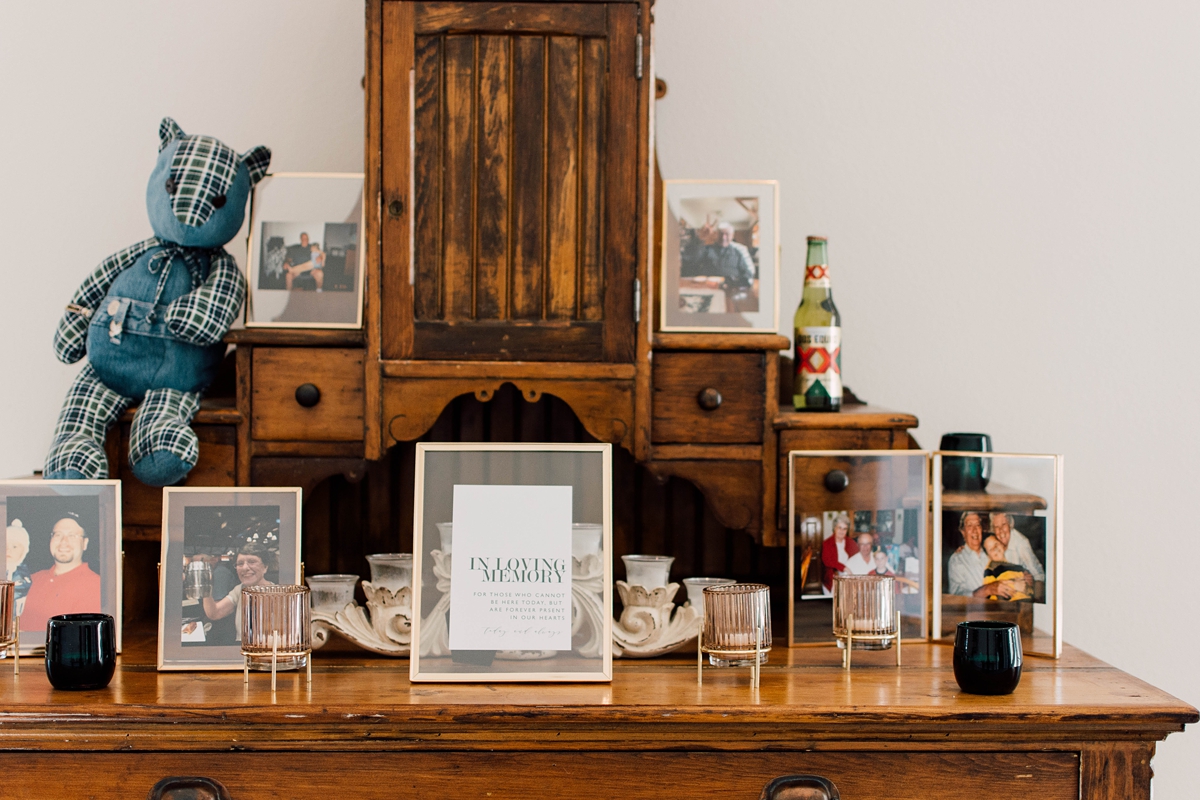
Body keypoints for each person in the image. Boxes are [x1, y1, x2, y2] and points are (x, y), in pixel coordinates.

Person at [20, 515, 102, 633]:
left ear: (85, 543)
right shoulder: (31, 579)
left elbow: (76, 638)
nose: (64, 542)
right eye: (58, 535)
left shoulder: (94, 585)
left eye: (72, 535)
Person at [201, 543, 276, 642]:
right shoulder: (240, 590)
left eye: (252, 562)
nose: (245, 568)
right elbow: (214, 613)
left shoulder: (278, 594)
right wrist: (204, 584)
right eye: (240, 564)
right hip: (241, 652)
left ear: (265, 567)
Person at [947, 511, 1018, 599]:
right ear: (963, 532)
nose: (975, 530)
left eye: (977, 525)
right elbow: (955, 596)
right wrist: (987, 590)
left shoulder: (990, 551)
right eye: (969, 525)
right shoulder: (957, 559)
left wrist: (1023, 575)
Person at [989, 512, 1045, 581]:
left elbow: (1038, 575)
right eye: (997, 527)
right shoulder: (992, 542)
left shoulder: (1021, 543)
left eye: (1004, 524)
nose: (1001, 530)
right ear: (993, 530)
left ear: (1010, 524)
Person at [700, 222, 756, 288]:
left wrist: (738, 283)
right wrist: (700, 239)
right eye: (721, 234)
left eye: (727, 234)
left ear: (732, 236)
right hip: (710, 287)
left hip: (733, 288)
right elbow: (692, 257)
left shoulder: (739, 251)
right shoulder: (707, 249)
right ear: (716, 235)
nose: (723, 237)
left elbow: (748, 272)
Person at [981, 535, 1031, 601]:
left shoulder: (1018, 567)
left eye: (996, 544)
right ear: (988, 556)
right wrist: (1014, 586)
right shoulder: (990, 569)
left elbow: (1030, 589)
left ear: (1002, 545)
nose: (995, 548)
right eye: (990, 549)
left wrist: (1028, 587)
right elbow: (989, 593)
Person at [820, 513, 857, 594]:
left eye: (845, 529)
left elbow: (857, 558)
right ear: (834, 528)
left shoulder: (851, 542)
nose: (842, 531)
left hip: (848, 579)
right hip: (832, 580)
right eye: (839, 528)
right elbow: (827, 560)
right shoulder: (827, 543)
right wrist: (844, 568)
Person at [5, 519, 32, 614]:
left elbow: (20, 591)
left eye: (14, 547)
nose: (8, 550)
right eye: (5, 546)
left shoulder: (22, 573)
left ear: (24, 551)